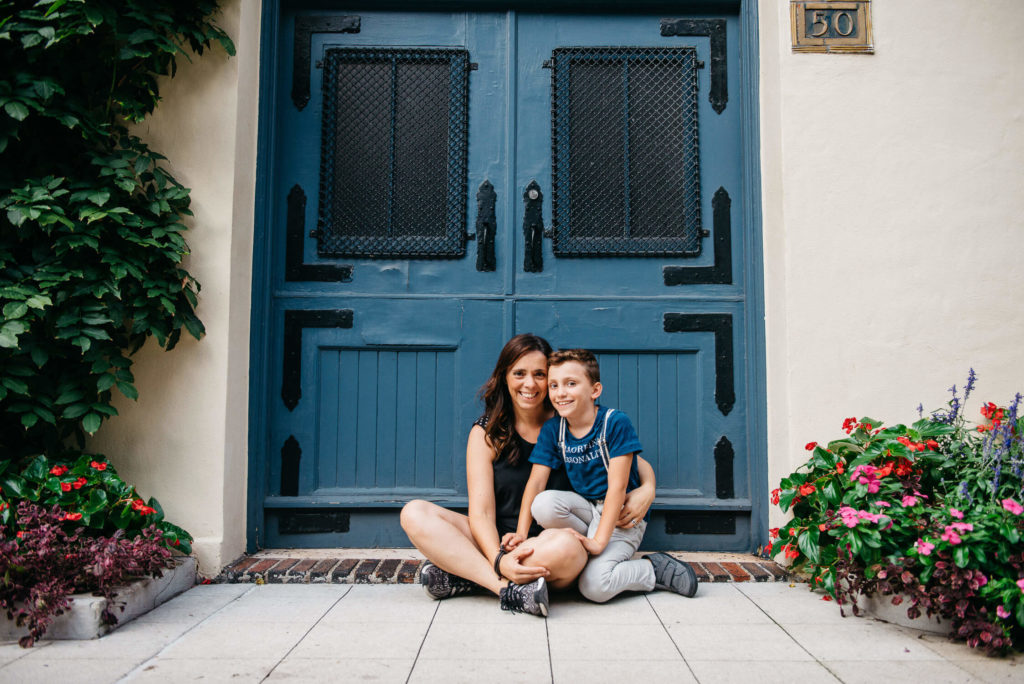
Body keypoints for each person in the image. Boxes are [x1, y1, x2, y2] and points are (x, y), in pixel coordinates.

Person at [400, 334, 657, 617]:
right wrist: (499, 560)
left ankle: (465, 575)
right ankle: (504, 587)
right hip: (503, 541)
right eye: (519, 374)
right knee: (414, 513)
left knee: (564, 546)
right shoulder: (486, 432)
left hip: (555, 542)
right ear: (504, 377)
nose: (530, 384)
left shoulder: (568, 420)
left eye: (540, 375)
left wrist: (648, 488)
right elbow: (481, 515)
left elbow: (628, 462)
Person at [507, 348, 698, 604]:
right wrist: (521, 533)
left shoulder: (614, 423)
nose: (560, 392)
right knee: (544, 504)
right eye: (554, 385)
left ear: (595, 390)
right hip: (587, 510)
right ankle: (583, 554)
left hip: (620, 515)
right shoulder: (555, 428)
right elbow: (536, 481)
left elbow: (617, 488)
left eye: (571, 383)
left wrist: (598, 542)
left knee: (595, 587)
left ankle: (653, 569)